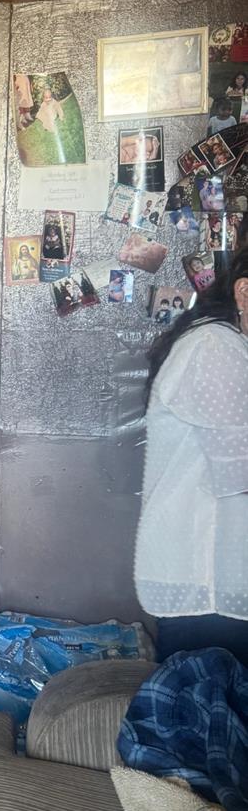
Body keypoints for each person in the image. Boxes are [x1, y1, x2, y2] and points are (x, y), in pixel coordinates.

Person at [134, 245, 248, 660]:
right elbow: (240, 475)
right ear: (244, 292)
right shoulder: (215, 347)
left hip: (218, 579)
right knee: (212, 698)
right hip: (212, 585)